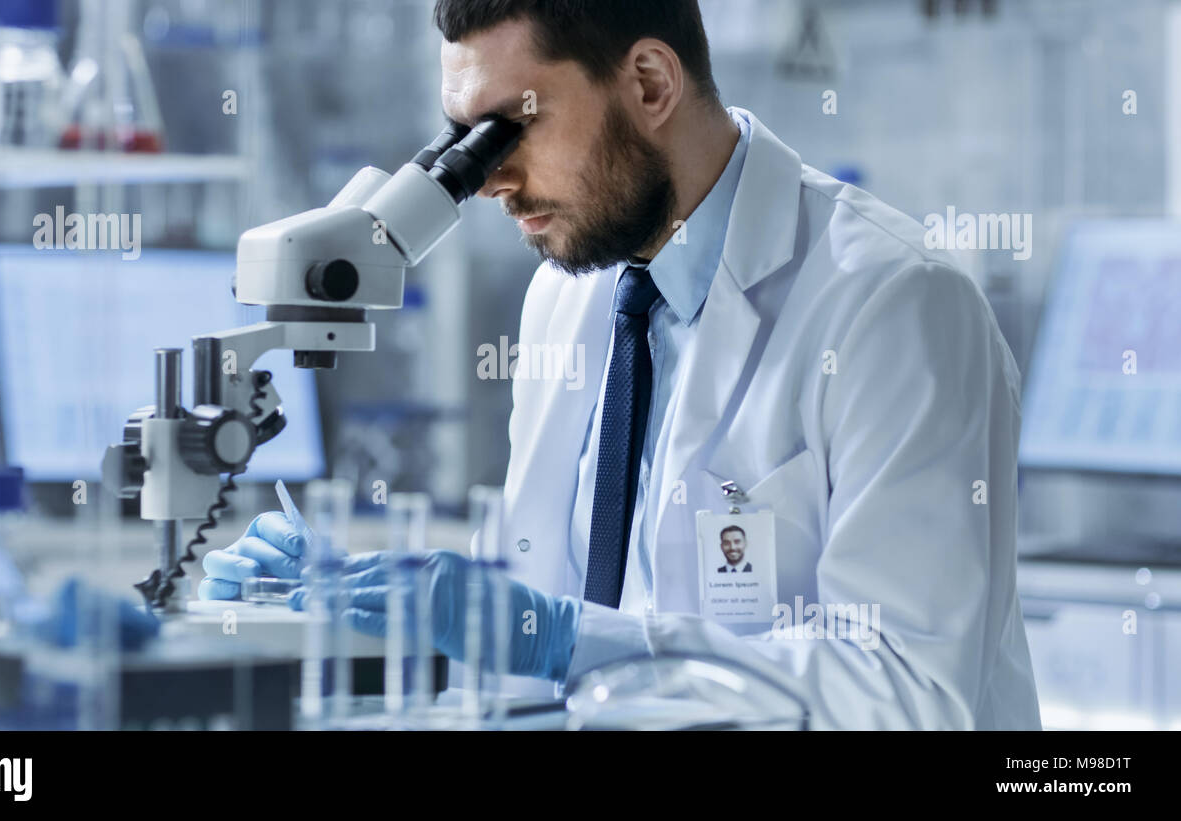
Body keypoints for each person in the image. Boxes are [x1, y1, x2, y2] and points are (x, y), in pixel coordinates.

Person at [200, 0, 1041, 729]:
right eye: (463, 139)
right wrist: (357, 604)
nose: (490, 180)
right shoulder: (566, 296)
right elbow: (526, 626)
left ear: (649, 84)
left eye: (509, 128)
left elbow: (907, 697)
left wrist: (565, 640)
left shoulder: (894, 307)